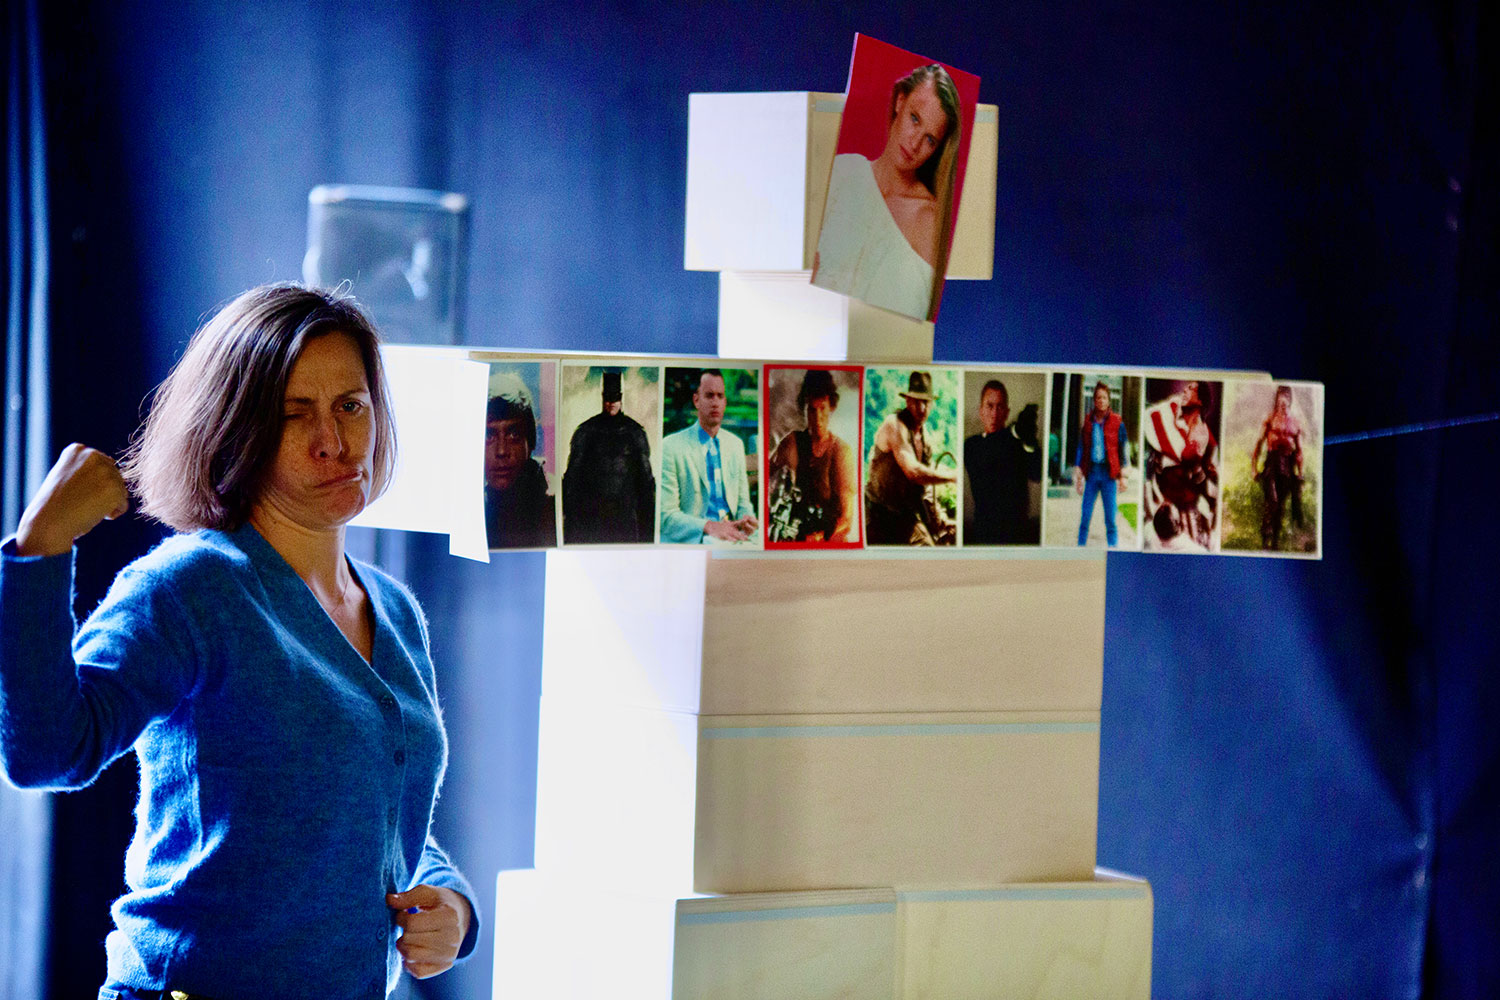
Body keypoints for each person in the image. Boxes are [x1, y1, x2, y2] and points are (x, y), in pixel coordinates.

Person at [0, 284, 478, 997]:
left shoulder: (395, 612)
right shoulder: (192, 588)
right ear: (238, 432)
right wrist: (40, 546)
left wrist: (450, 904)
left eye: (351, 406)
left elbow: (372, 805)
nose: (333, 441)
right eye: (295, 414)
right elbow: (45, 753)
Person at [812, 63, 963, 321]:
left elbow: (912, 323)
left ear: (937, 150)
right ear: (900, 102)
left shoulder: (928, 220)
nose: (914, 143)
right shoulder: (843, 172)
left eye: (929, 139)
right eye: (915, 118)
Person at [659, 369, 759, 544]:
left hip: (733, 534)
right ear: (696, 400)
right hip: (699, 538)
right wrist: (709, 526)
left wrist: (748, 520)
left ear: (725, 402)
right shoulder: (671, 446)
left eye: (720, 396)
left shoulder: (735, 444)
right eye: (709, 395)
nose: (715, 403)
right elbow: (666, 516)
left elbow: (743, 503)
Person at [561, 370, 656, 543]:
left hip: (625, 517)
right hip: (592, 518)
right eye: (608, 398)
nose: (611, 403)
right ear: (602, 398)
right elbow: (572, 479)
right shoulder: (586, 431)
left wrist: (647, 527)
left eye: (615, 398)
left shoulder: (635, 433)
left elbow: (645, 483)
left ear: (621, 399)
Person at [865, 371, 956, 545]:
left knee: (929, 548)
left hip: (903, 519)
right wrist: (951, 476)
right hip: (877, 515)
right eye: (916, 401)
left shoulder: (925, 439)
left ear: (931, 404)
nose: (921, 408)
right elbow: (913, 472)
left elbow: (925, 489)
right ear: (907, 401)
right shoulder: (894, 425)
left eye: (926, 402)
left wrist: (941, 521)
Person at [766, 369, 858, 543]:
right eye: (812, 410)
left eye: (822, 408)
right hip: (795, 535)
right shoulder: (792, 442)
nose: (817, 418)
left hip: (831, 541)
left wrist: (816, 539)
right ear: (804, 408)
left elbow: (846, 521)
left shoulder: (841, 451)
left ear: (831, 407)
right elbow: (765, 474)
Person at [964, 380, 1042, 544]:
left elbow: (1037, 474)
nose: (994, 413)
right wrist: (1014, 431)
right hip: (985, 536)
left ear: (1006, 412)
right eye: (989, 406)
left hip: (1017, 536)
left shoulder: (1018, 443)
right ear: (981, 411)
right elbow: (990, 456)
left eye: (999, 407)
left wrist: (1029, 442)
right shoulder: (971, 445)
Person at [484, 376, 557, 549]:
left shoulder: (555, 503)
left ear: (530, 441)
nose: (502, 451)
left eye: (513, 434)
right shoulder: (471, 507)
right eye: (489, 436)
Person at [1144, 381, 1218, 550]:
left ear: (1200, 401)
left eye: (1191, 388)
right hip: (1163, 508)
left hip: (1187, 514)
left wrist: (1196, 468)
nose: (1185, 389)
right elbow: (1152, 418)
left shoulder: (1204, 437)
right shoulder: (1170, 414)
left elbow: (1208, 481)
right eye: (1186, 387)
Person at [1073, 381, 1131, 547]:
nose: (1101, 400)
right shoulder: (1088, 421)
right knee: (1085, 517)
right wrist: (1078, 471)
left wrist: (1123, 475)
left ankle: (1113, 549)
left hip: (1108, 475)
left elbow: (1124, 448)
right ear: (1094, 400)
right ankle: (1080, 549)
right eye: (1098, 397)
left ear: (1108, 400)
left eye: (1104, 397)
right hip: (1092, 474)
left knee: (1111, 519)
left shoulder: (1117, 422)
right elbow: (1081, 447)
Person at [1250, 385, 1304, 550]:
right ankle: (1265, 538)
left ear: (1290, 400)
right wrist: (1254, 468)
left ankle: (1274, 542)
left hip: (1287, 464)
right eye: (1281, 395)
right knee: (1272, 501)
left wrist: (1300, 473)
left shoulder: (1295, 423)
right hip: (1272, 463)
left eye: (1286, 396)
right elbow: (1258, 443)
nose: (1283, 399)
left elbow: (1299, 451)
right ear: (1277, 399)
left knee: (1280, 505)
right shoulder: (1270, 419)